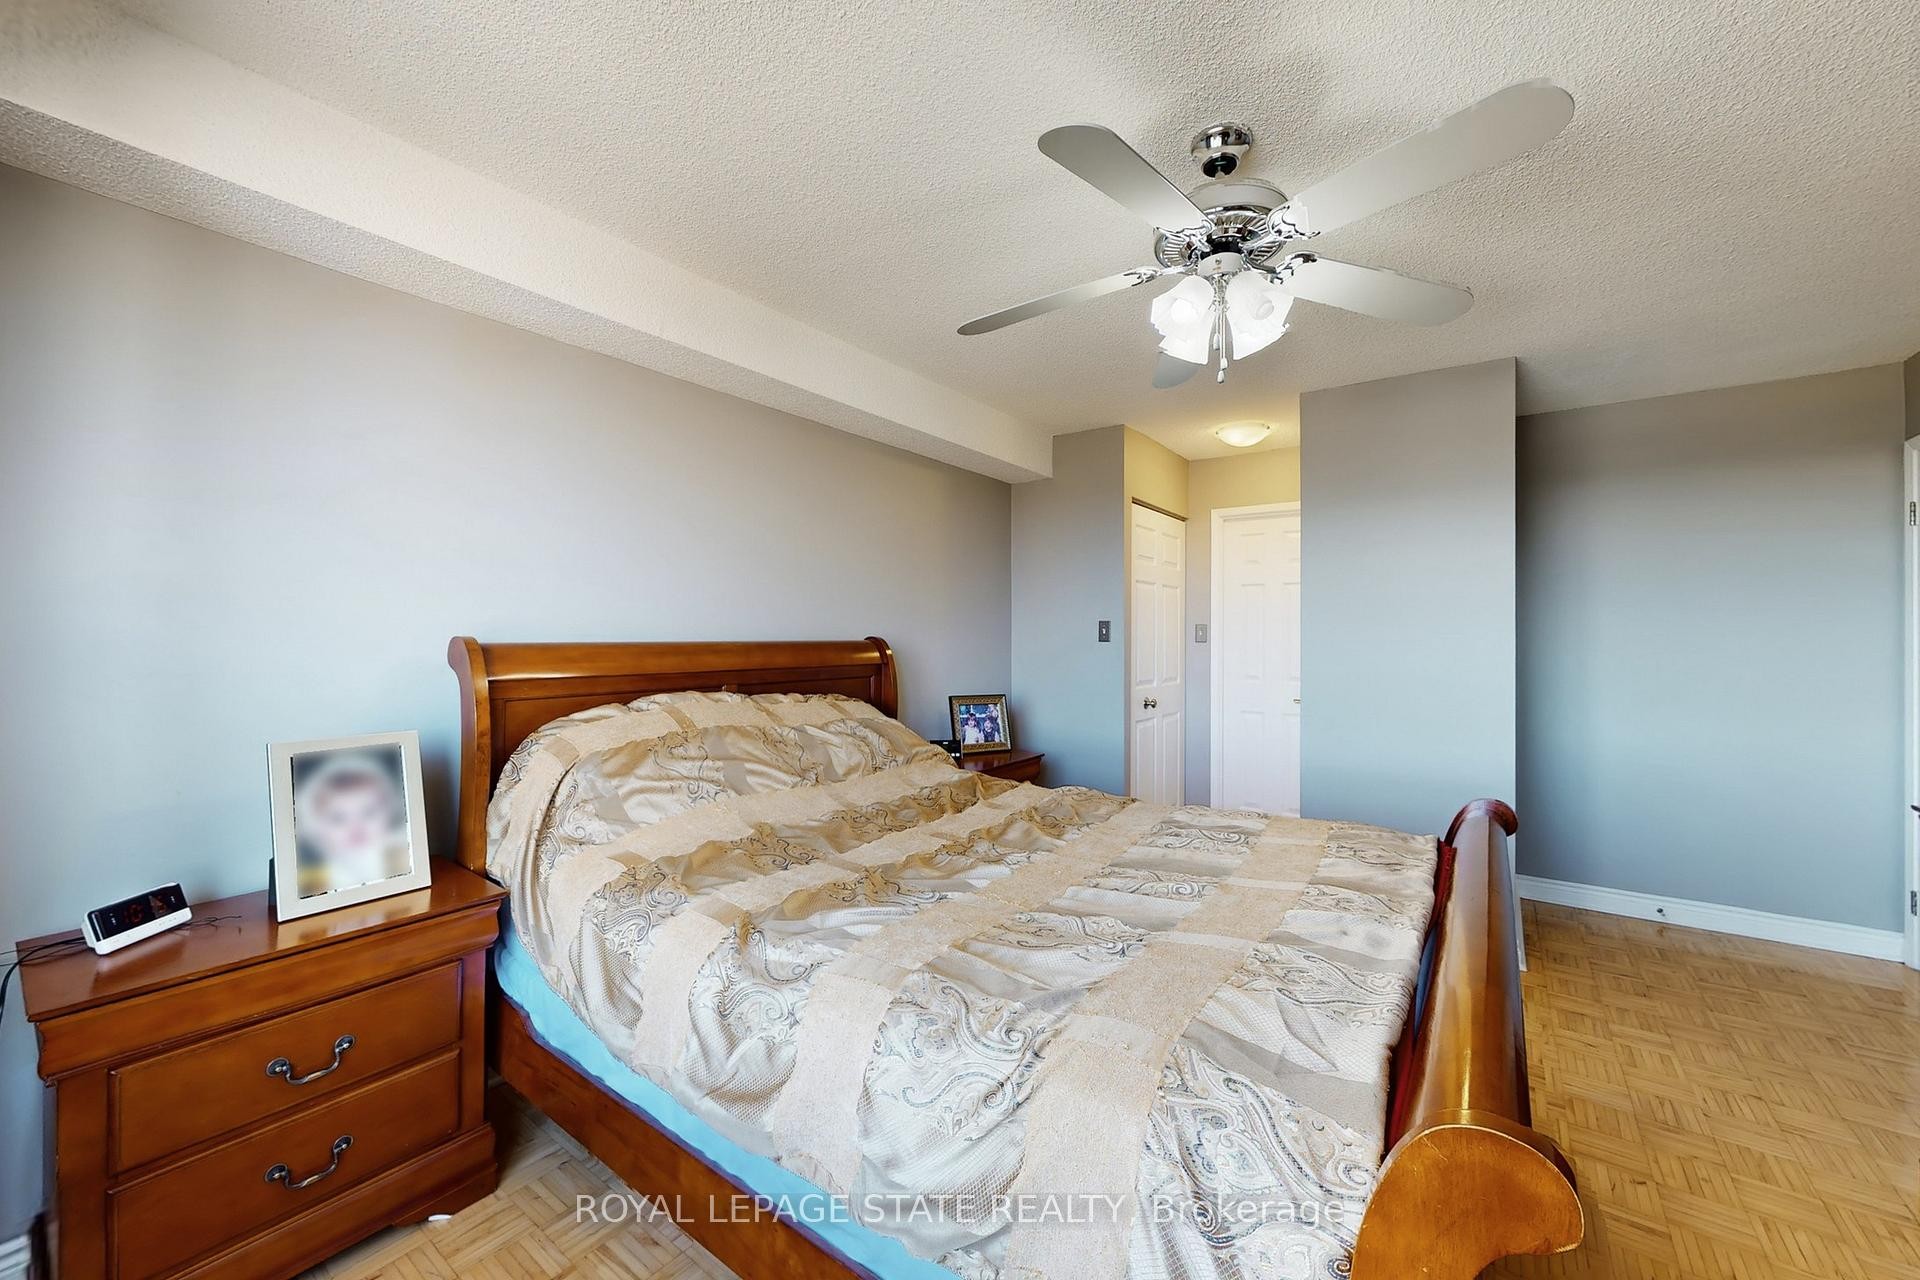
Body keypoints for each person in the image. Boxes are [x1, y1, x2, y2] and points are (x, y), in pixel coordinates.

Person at [293, 750, 409, 896]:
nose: (356, 828)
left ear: (388, 811)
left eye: (368, 812)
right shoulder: (317, 874)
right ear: (318, 826)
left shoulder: (399, 853)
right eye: (339, 818)